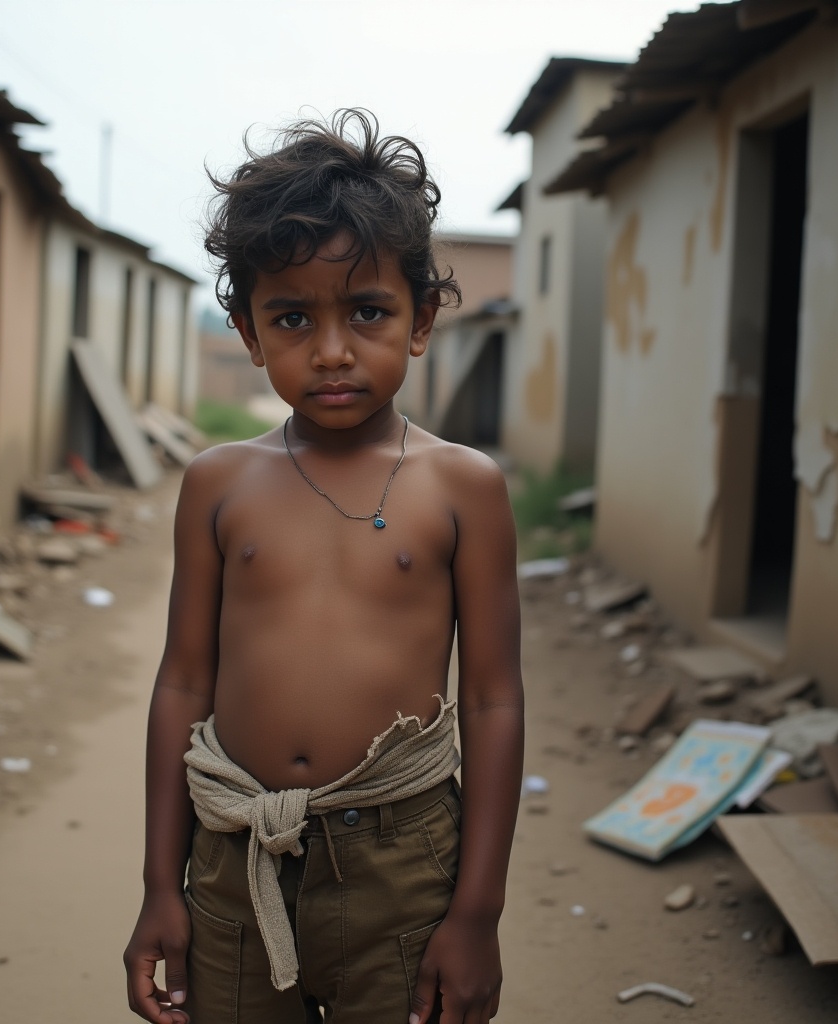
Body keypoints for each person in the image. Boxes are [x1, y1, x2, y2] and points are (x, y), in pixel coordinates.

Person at [124, 108, 524, 1024]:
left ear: (421, 319)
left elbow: (497, 698)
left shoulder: (464, 488)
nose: (333, 350)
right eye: (294, 317)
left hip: (400, 865)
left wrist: (478, 914)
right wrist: (160, 885)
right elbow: (184, 682)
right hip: (235, 852)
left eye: (369, 311)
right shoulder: (219, 483)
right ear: (251, 332)